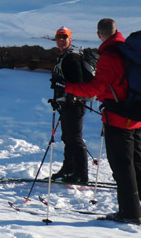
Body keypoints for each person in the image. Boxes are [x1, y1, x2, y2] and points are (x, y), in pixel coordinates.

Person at [65, 18, 141, 224]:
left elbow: (96, 88)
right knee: (138, 162)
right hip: (137, 115)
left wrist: (69, 87)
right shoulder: (128, 50)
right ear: (117, 30)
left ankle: (129, 213)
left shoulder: (110, 56)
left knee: (122, 166)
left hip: (119, 118)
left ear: (98, 34)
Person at [49, 26, 88, 184]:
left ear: (70, 39)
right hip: (66, 103)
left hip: (75, 104)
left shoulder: (72, 57)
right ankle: (68, 168)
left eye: (64, 37)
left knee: (75, 139)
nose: (61, 40)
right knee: (67, 137)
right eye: (58, 37)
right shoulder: (63, 56)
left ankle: (81, 174)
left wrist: (60, 85)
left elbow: (77, 81)